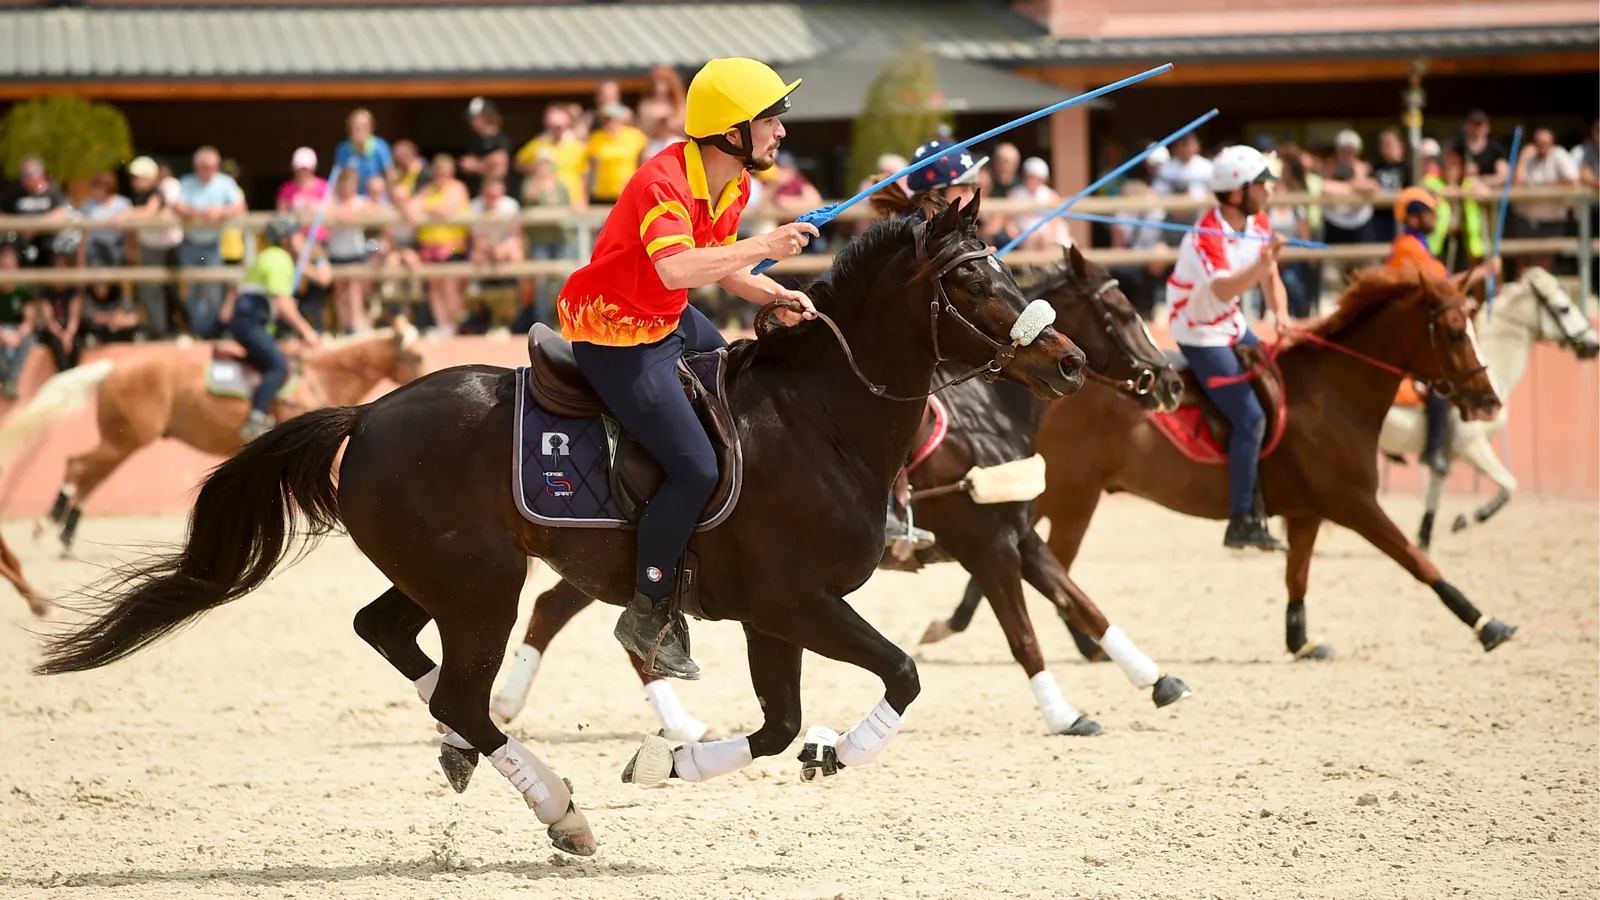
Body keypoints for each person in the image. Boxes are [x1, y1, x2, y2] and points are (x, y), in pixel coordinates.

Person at [556, 57, 818, 679]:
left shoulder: (734, 182)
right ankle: (648, 611)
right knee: (695, 465)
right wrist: (767, 247)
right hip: (614, 330)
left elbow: (716, 265)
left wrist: (770, 293)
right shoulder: (661, 181)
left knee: (731, 373)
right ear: (733, 132)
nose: (781, 130)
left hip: (665, 315)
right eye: (770, 119)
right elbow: (677, 268)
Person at [1167, 145, 1292, 551]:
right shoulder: (1208, 234)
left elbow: (1269, 274)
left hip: (1233, 326)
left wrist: (1281, 314)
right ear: (1237, 192)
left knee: (1284, 388)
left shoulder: (1257, 222)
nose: (1269, 189)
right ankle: (1240, 519)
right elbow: (1222, 288)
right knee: (1251, 418)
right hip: (1199, 333)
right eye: (1261, 183)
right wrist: (1260, 267)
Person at [1385, 186, 1501, 475]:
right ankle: (1432, 450)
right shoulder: (1408, 248)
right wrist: (1484, 272)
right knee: (1441, 381)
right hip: (1403, 332)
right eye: (1428, 213)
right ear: (1413, 218)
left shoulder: (1419, 245)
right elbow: (1444, 284)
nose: (1435, 217)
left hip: (1413, 326)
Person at [222, 215, 323, 442]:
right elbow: (282, 303)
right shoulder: (279, 260)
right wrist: (307, 331)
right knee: (279, 365)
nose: (301, 240)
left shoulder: (270, 256)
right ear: (286, 239)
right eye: (297, 235)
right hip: (249, 323)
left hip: (249, 321)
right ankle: (256, 418)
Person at [0, 239, 37, 398]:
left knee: (29, 339)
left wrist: (18, 335)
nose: (7, 272)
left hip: (16, 330)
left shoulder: (23, 290)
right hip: (2, 330)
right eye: (3, 267)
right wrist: (3, 335)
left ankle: (11, 382)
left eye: (10, 267)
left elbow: (29, 321)